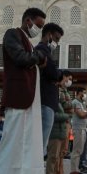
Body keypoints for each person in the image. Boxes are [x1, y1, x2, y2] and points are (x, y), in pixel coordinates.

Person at [0, 7, 50, 174]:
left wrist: (37, 55)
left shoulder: (28, 41)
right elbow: (22, 59)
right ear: (28, 20)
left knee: (28, 154)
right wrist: (39, 54)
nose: (38, 30)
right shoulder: (12, 34)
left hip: (30, 103)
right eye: (38, 26)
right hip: (19, 101)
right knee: (13, 151)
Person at [35, 23, 64, 157]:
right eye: (56, 39)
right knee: (39, 143)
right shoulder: (42, 49)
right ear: (49, 35)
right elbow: (52, 73)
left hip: (47, 102)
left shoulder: (47, 52)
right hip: (45, 101)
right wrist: (58, 75)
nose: (57, 43)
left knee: (42, 143)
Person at [68, 89, 87, 174]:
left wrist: (85, 113)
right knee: (76, 151)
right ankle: (74, 173)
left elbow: (85, 115)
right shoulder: (75, 102)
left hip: (82, 128)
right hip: (78, 129)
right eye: (83, 92)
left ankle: (76, 170)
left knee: (79, 151)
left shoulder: (81, 103)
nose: (85, 94)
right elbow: (81, 115)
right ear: (79, 93)